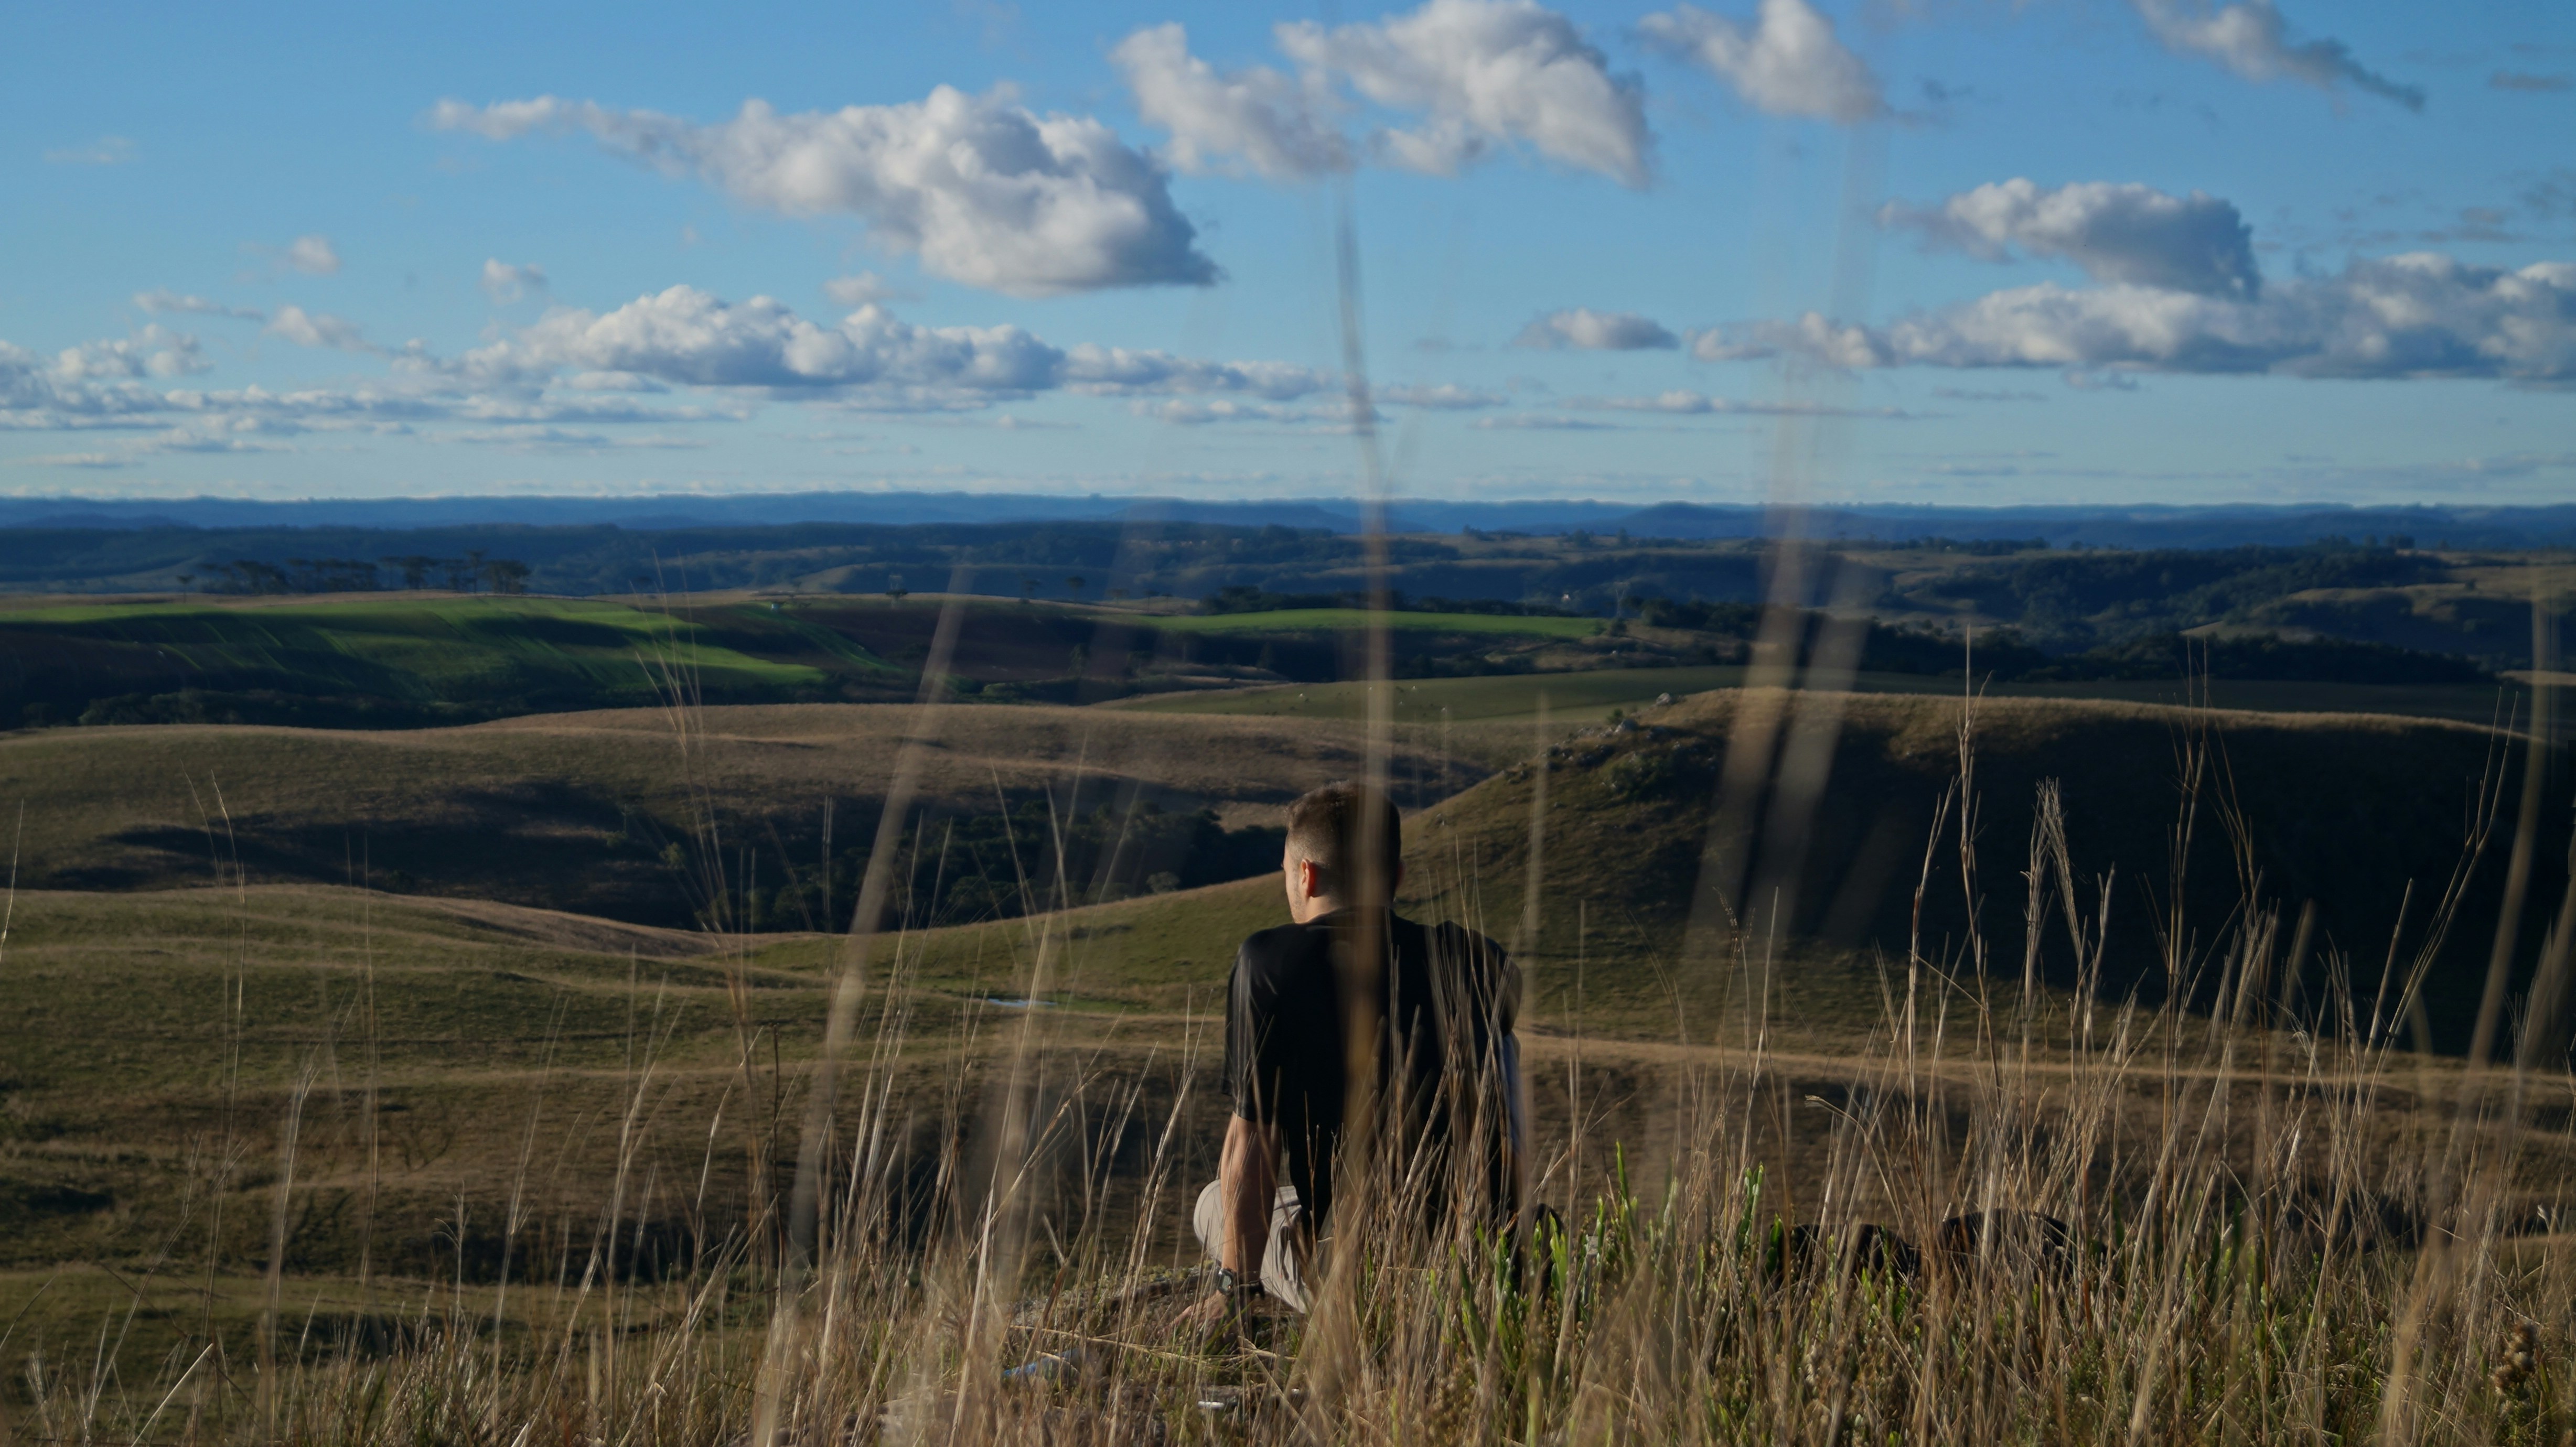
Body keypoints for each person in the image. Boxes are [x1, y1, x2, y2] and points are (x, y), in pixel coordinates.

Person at [1182, 780, 1525, 1325]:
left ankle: (1286, 1301)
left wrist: (1234, 1288)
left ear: (1306, 875)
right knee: (1504, 1044)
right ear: (1397, 878)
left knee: (1211, 1201)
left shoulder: (1270, 963)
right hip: (1488, 1264)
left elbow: (1253, 1142)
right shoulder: (1476, 959)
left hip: (1362, 1278)